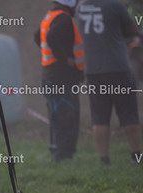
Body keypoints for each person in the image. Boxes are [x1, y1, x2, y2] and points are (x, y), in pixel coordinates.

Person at [78, 0, 141, 164]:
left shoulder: (82, 8)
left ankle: (104, 159)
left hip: (93, 70)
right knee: (128, 114)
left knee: (99, 117)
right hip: (117, 68)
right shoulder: (115, 6)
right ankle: (136, 156)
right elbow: (133, 30)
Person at [35, 0, 85, 162]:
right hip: (61, 78)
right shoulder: (63, 18)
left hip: (51, 76)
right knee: (66, 115)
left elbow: (38, 36)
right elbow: (51, 37)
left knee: (57, 115)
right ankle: (63, 156)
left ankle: (58, 151)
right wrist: (65, 60)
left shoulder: (50, 16)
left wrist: (51, 56)